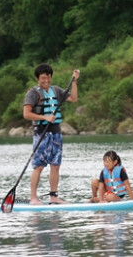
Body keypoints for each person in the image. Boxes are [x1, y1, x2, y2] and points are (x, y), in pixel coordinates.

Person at [23, 63, 80, 205]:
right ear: (38, 78)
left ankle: (53, 196)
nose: (46, 81)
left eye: (48, 77)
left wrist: (74, 81)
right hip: (41, 133)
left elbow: (73, 98)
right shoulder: (33, 93)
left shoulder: (56, 90)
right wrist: (44, 118)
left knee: (55, 165)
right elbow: (26, 114)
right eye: (43, 78)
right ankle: (33, 198)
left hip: (55, 132)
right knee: (39, 166)